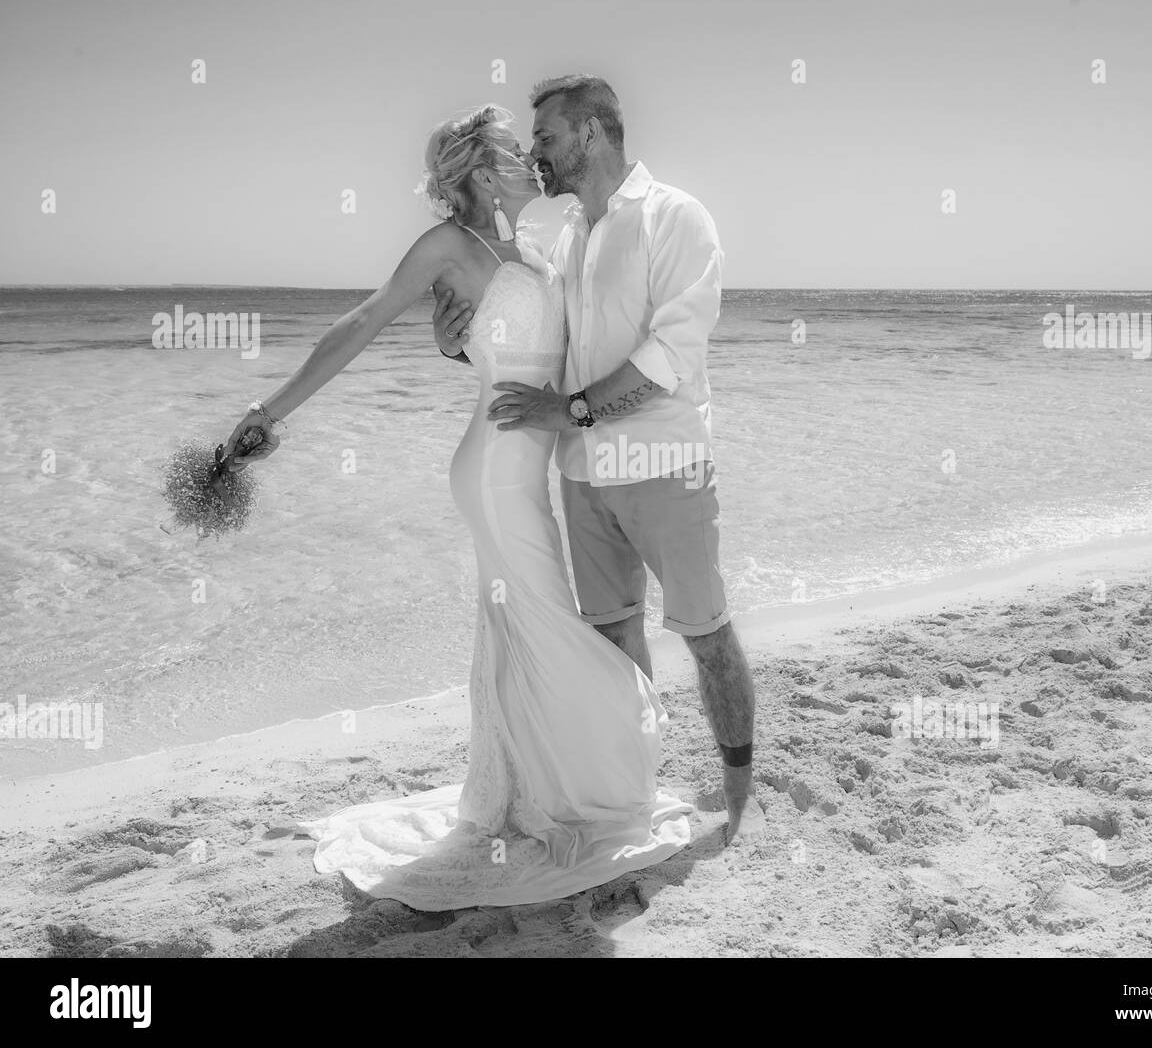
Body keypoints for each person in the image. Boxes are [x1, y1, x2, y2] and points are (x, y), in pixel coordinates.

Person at [221, 104, 690, 910]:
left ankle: (532, 787)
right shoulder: (448, 247)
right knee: (544, 619)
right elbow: (363, 321)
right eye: (518, 151)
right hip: (495, 471)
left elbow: (540, 346)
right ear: (481, 170)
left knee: (524, 626)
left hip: (526, 463)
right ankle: (578, 790)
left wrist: (462, 345)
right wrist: (271, 411)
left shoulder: (534, 245)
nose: (532, 160)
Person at [434, 76, 765, 845]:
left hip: (664, 465)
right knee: (614, 642)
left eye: (546, 136)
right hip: (582, 478)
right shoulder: (564, 239)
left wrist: (572, 410)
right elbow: (530, 349)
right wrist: (458, 343)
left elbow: (671, 353)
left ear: (590, 134)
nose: (536, 152)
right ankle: (634, 791)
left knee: (705, 634)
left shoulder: (675, 217)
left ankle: (741, 799)